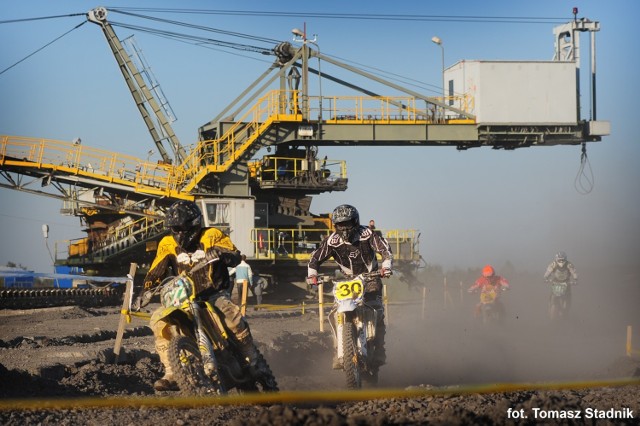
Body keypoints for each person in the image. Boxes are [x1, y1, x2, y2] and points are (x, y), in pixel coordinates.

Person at [134, 200, 262, 392]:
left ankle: (251, 358)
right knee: (158, 321)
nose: (180, 233)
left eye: (184, 228)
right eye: (175, 228)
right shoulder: (167, 243)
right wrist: (145, 292)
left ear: (194, 223)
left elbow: (234, 254)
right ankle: (171, 372)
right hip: (182, 296)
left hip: (213, 292)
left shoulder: (212, 235)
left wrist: (222, 254)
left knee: (231, 316)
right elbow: (155, 271)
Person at [307, 204, 393, 369]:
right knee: (334, 312)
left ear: (355, 221)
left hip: (370, 277)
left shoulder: (367, 234)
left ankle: (380, 349)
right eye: (340, 224)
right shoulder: (332, 241)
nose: (344, 228)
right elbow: (315, 258)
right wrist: (312, 275)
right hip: (347, 281)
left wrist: (386, 266)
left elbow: (385, 249)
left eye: (347, 223)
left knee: (377, 309)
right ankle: (339, 349)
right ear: (335, 225)